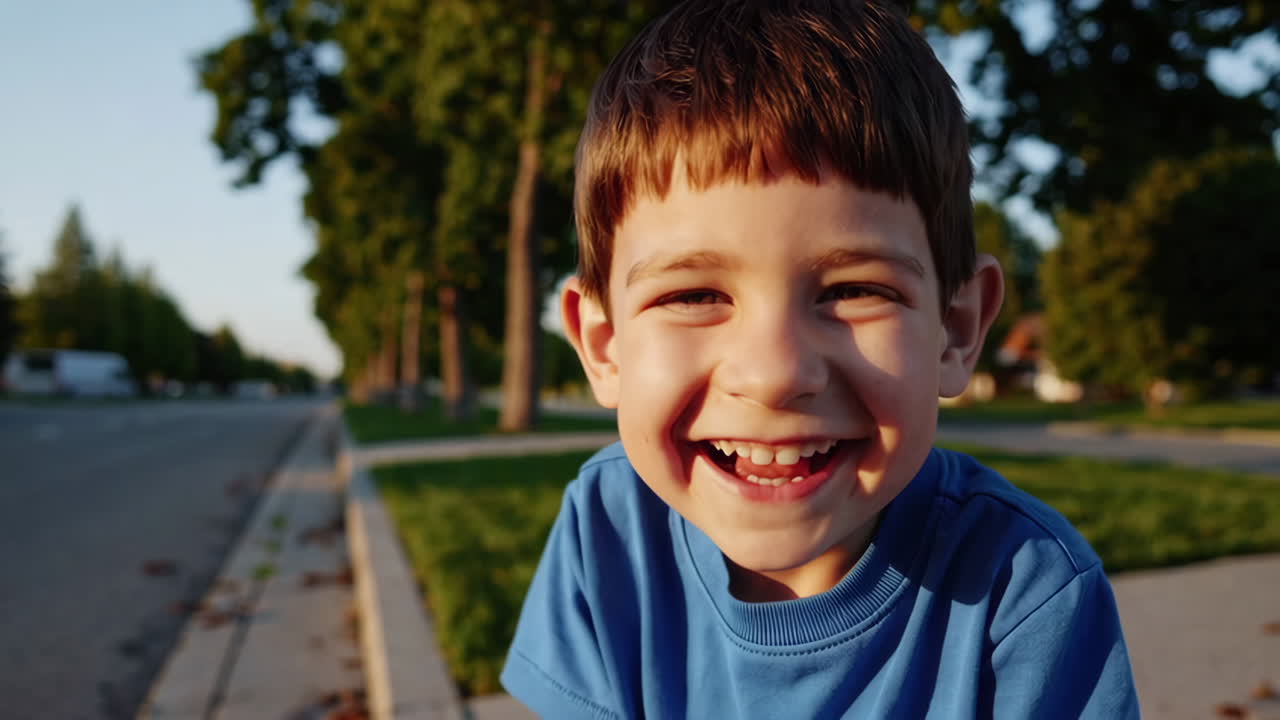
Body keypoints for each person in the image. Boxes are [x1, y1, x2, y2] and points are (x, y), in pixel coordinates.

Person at [500, 1, 1140, 717]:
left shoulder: (1024, 593)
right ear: (602, 344)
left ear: (955, 331)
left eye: (855, 290)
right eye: (694, 295)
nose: (775, 373)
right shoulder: (606, 532)